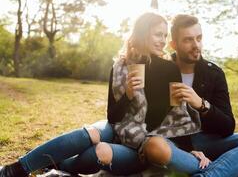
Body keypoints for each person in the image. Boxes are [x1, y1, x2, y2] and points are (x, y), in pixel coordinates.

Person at [0, 12, 203, 177]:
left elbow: (178, 116)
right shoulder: (121, 66)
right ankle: (16, 169)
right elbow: (113, 116)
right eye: (158, 34)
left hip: (143, 144)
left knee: (101, 151)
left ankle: (62, 163)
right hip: (118, 127)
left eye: (165, 35)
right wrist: (128, 95)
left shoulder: (170, 70)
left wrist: (188, 149)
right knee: (89, 133)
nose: (163, 41)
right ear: (142, 33)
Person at [141, 14, 238, 177]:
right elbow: (150, 122)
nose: (196, 45)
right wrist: (188, 149)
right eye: (188, 40)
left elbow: (227, 127)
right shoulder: (159, 71)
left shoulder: (213, 73)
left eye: (199, 38)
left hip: (208, 141)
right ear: (174, 45)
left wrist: (201, 104)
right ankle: (233, 168)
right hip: (173, 143)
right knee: (154, 146)